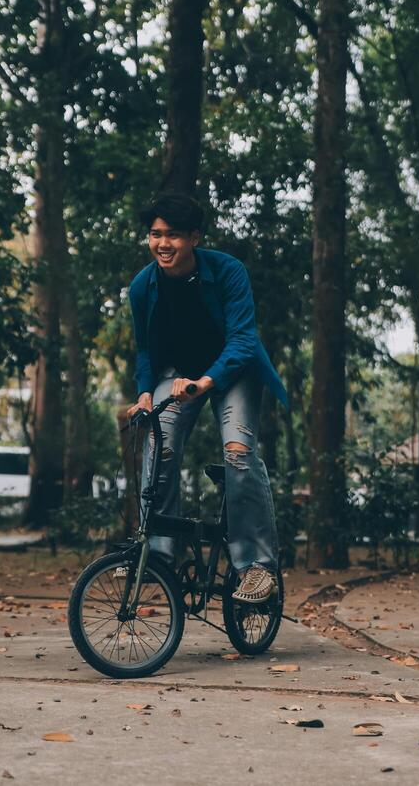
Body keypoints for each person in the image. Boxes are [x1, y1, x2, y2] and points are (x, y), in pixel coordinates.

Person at [127, 192, 287, 603]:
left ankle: (256, 567)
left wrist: (205, 381)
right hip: (177, 373)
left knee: (237, 452)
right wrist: (145, 393)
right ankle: (158, 552)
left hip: (231, 371)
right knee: (156, 441)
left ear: (194, 238)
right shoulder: (143, 286)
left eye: (174, 235)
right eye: (155, 234)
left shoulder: (228, 271)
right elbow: (145, 348)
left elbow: (243, 341)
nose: (163, 244)